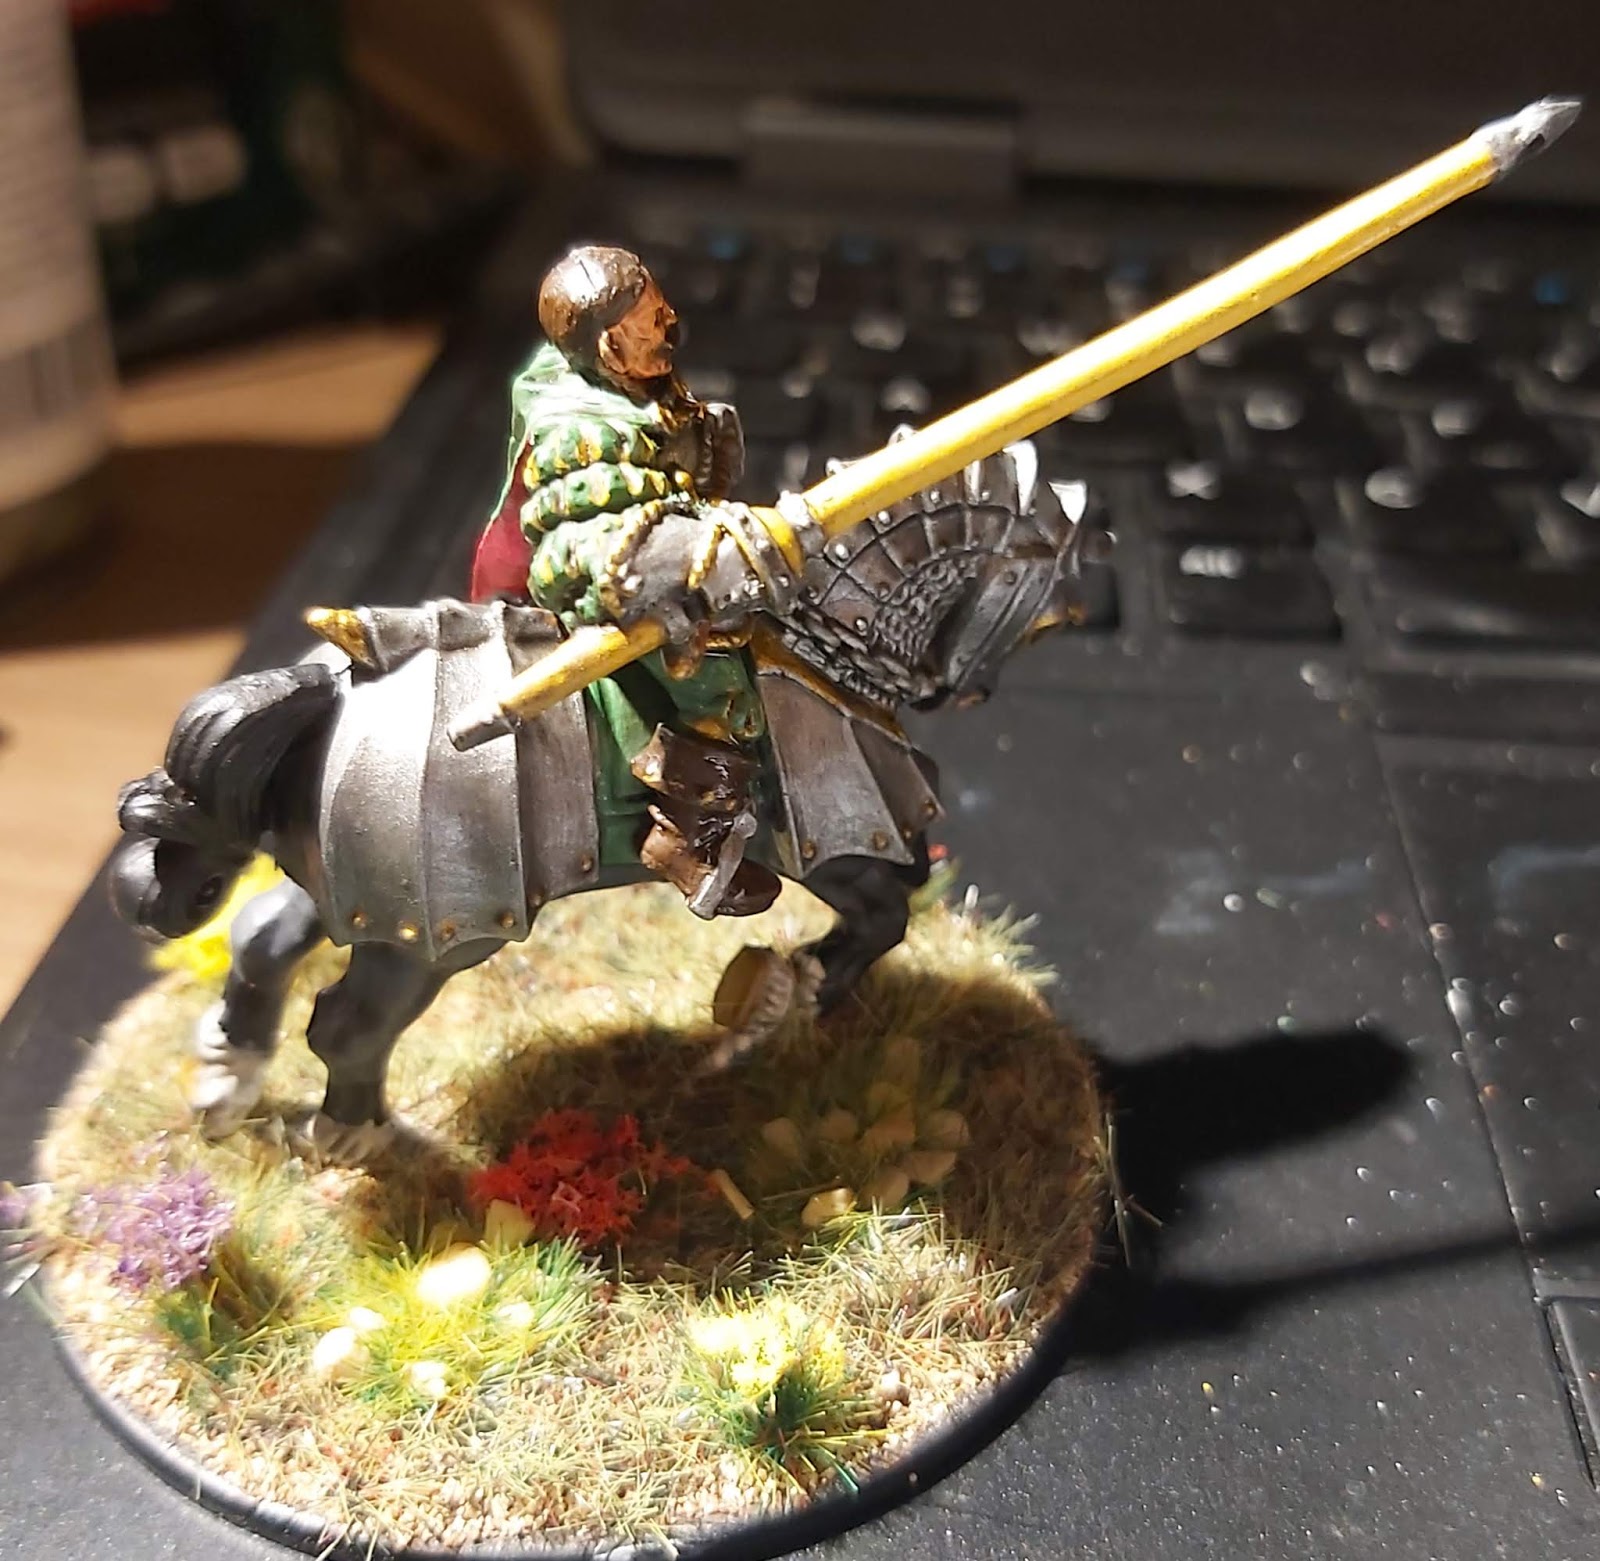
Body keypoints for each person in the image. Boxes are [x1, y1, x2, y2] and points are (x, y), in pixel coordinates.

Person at [469, 244, 798, 916]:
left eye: (660, 304)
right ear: (611, 346)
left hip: (663, 546)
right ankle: (688, 839)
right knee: (718, 676)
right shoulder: (579, 432)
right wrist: (692, 555)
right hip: (604, 577)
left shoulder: (633, 384)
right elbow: (597, 535)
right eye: (652, 319)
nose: (669, 321)